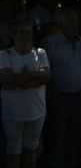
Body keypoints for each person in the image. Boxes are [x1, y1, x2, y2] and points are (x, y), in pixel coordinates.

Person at [40, 9, 81, 168]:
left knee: (75, 136)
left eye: (76, 20)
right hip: (59, 98)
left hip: (80, 97)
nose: (75, 24)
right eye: (70, 21)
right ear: (60, 24)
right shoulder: (49, 43)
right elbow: (43, 72)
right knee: (57, 137)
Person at [0, 17, 50, 168]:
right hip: (13, 113)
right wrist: (34, 74)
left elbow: (46, 76)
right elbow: (6, 78)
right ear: (13, 35)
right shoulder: (4, 55)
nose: (26, 35)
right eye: (21, 32)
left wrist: (18, 80)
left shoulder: (40, 53)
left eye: (28, 32)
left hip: (36, 111)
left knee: (31, 149)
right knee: (14, 152)